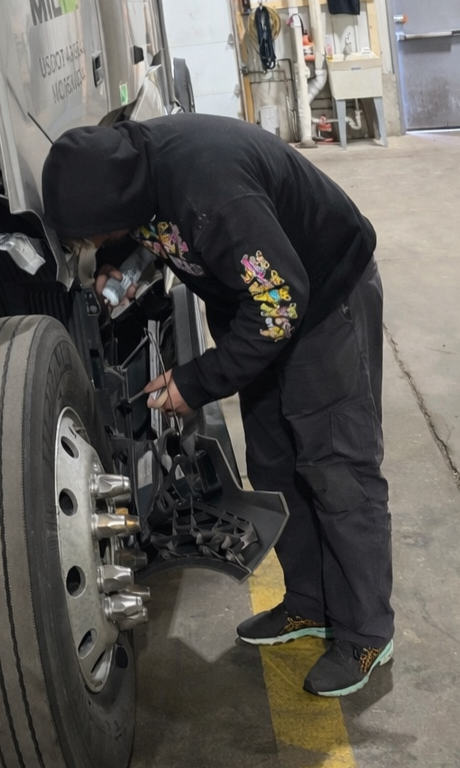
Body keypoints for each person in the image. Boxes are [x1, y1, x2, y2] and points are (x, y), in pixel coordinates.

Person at [41, 113, 393, 697]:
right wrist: (121, 263)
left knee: (336, 469)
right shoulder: (134, 174)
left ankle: (365, 632)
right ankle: (309, 604)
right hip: (259, 314)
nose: (95, 244)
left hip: (326, 303)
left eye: (97, 236)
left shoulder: (212, 192)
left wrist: (199, 380)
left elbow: (281, 303)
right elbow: (158, 238)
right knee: (278, 465)